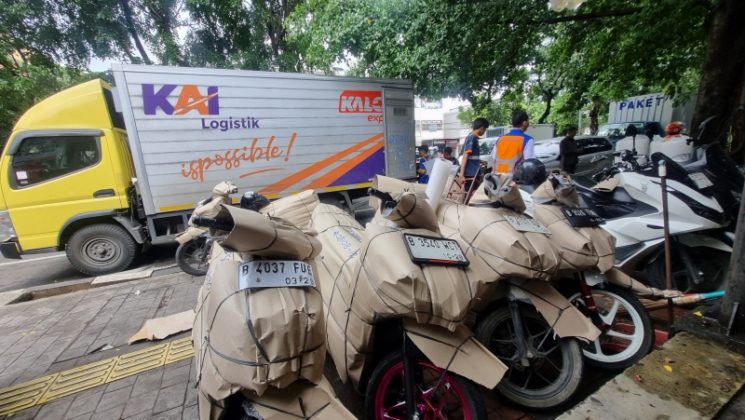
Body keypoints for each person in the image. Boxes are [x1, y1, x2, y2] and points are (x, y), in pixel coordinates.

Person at [491, 109, 535, 174]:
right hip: (514, 177)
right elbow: (529, 162)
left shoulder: (500, 139)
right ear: (524, 123)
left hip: (497, 176)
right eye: (528, 121)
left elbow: (494, 158)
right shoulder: (527, 140)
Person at [458, 117, 490, 193]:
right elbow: (465, 156)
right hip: (471, 173)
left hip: (474, 172)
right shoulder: (471, 138)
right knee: (471, 193)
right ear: (482, 128)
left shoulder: (474, 138)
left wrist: (481, 161)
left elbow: (472, 157)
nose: (484, 131)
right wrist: (461, 175)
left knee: (474, 192)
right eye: (485, 129)